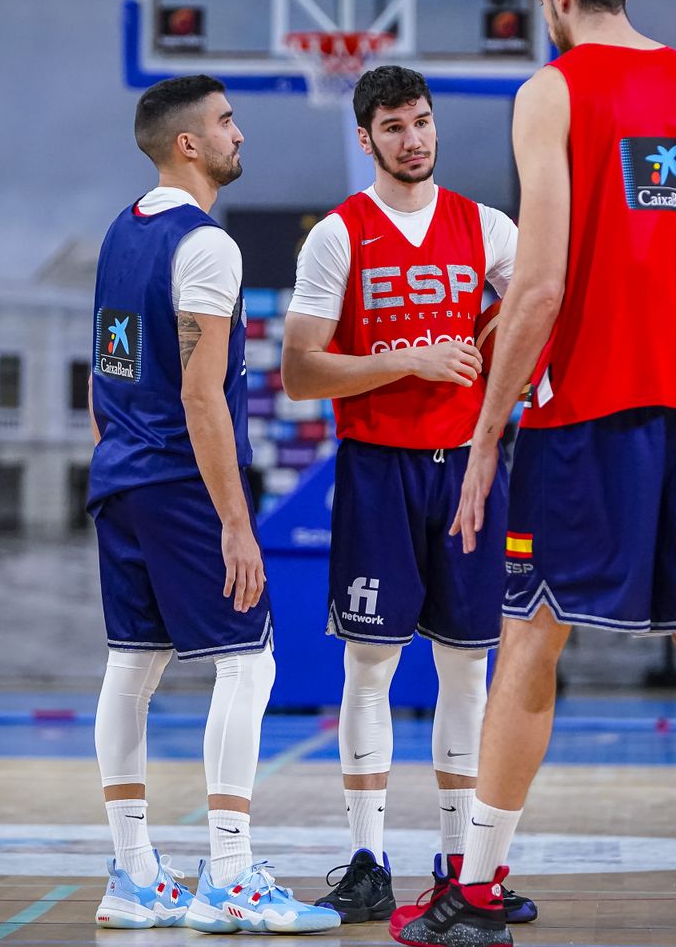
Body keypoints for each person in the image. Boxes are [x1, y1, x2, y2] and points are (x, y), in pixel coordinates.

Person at [392, 0, 676, 947]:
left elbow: (543, 282)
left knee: (530, 636)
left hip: (592, 410)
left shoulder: (553, 90)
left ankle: (473, 895)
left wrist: (483, 435)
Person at [280, 64, 535, 927]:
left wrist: (502, 373)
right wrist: (411, 360)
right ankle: (367, 859)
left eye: (422, 122)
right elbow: (300, 372)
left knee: (468, 671)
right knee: (371, 667)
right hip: (377, 469)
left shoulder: (488, 228)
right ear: (366, 138)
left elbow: (538, 308)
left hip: (467, 468)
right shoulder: (338, 236)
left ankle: (465, 867)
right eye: (393, 127)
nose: (414, 139)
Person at [86, 74, 338, 935]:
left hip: (120, 474)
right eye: (227, 121)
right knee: (250, 661)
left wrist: (118, 459)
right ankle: (230, 875)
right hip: (180, 480)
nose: (240, 133)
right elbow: (202, 396)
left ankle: (133, 874)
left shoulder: (123, 231)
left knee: (134, 665)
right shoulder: (208, 247)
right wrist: (236, 520)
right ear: (187, 144)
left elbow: (104, 373)